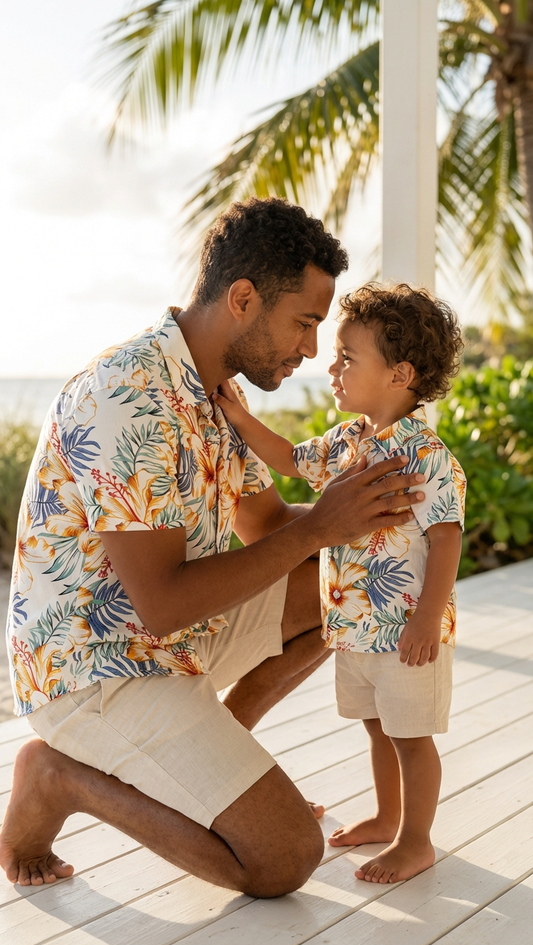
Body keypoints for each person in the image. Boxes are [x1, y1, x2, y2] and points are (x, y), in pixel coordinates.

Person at [0, 200, 426, 896]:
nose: (312, 349)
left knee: (348, 578)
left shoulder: (209, 391)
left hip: (165, 644)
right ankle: (59, 776)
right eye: (304, 321)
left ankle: (211, 751)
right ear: (242, 298)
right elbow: (164, 603)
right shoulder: (130, 393)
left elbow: (267, 528)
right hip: (95, 669)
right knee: (283, 857)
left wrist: (380, 527)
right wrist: (320, 524)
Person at [214, 281, 466, 885]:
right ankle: (386, 815)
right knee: (377, 727)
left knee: (412, 738)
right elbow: (289, 459)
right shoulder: (348, 442)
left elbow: (446, 538)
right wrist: (239, 415)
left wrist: (427, 618)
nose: (331, 366)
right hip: (355, 629)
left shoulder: (426, 457)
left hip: (408, 632)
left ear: (400, 374)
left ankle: (417, 840)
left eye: (348, 358)